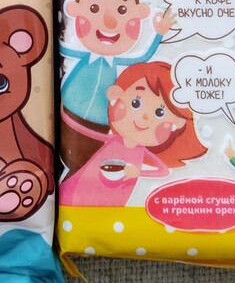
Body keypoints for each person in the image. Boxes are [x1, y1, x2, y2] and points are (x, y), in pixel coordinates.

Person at [60, 0, 174, 174]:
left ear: (139, 14)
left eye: (122, 10)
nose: (109, 22)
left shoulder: (116, 62)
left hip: (100, 121)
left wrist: (158, 33)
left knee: (86, 163)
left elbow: (143, 57)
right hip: (69, 114)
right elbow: (61, 48)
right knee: (68, 157)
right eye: (94, 8)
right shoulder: (81, 54)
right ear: (75, 9)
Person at [60, 61, 207, 207]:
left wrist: (137, 172)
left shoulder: (141, 151)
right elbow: (89, 133)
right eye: (135, 103)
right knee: (78, 192)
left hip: (120, 189)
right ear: (117, 94)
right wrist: (64, 116)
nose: (145, 117)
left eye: (159, 113)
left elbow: (162, 170)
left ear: (177, 123)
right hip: (91, 178)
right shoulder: (115, 140)